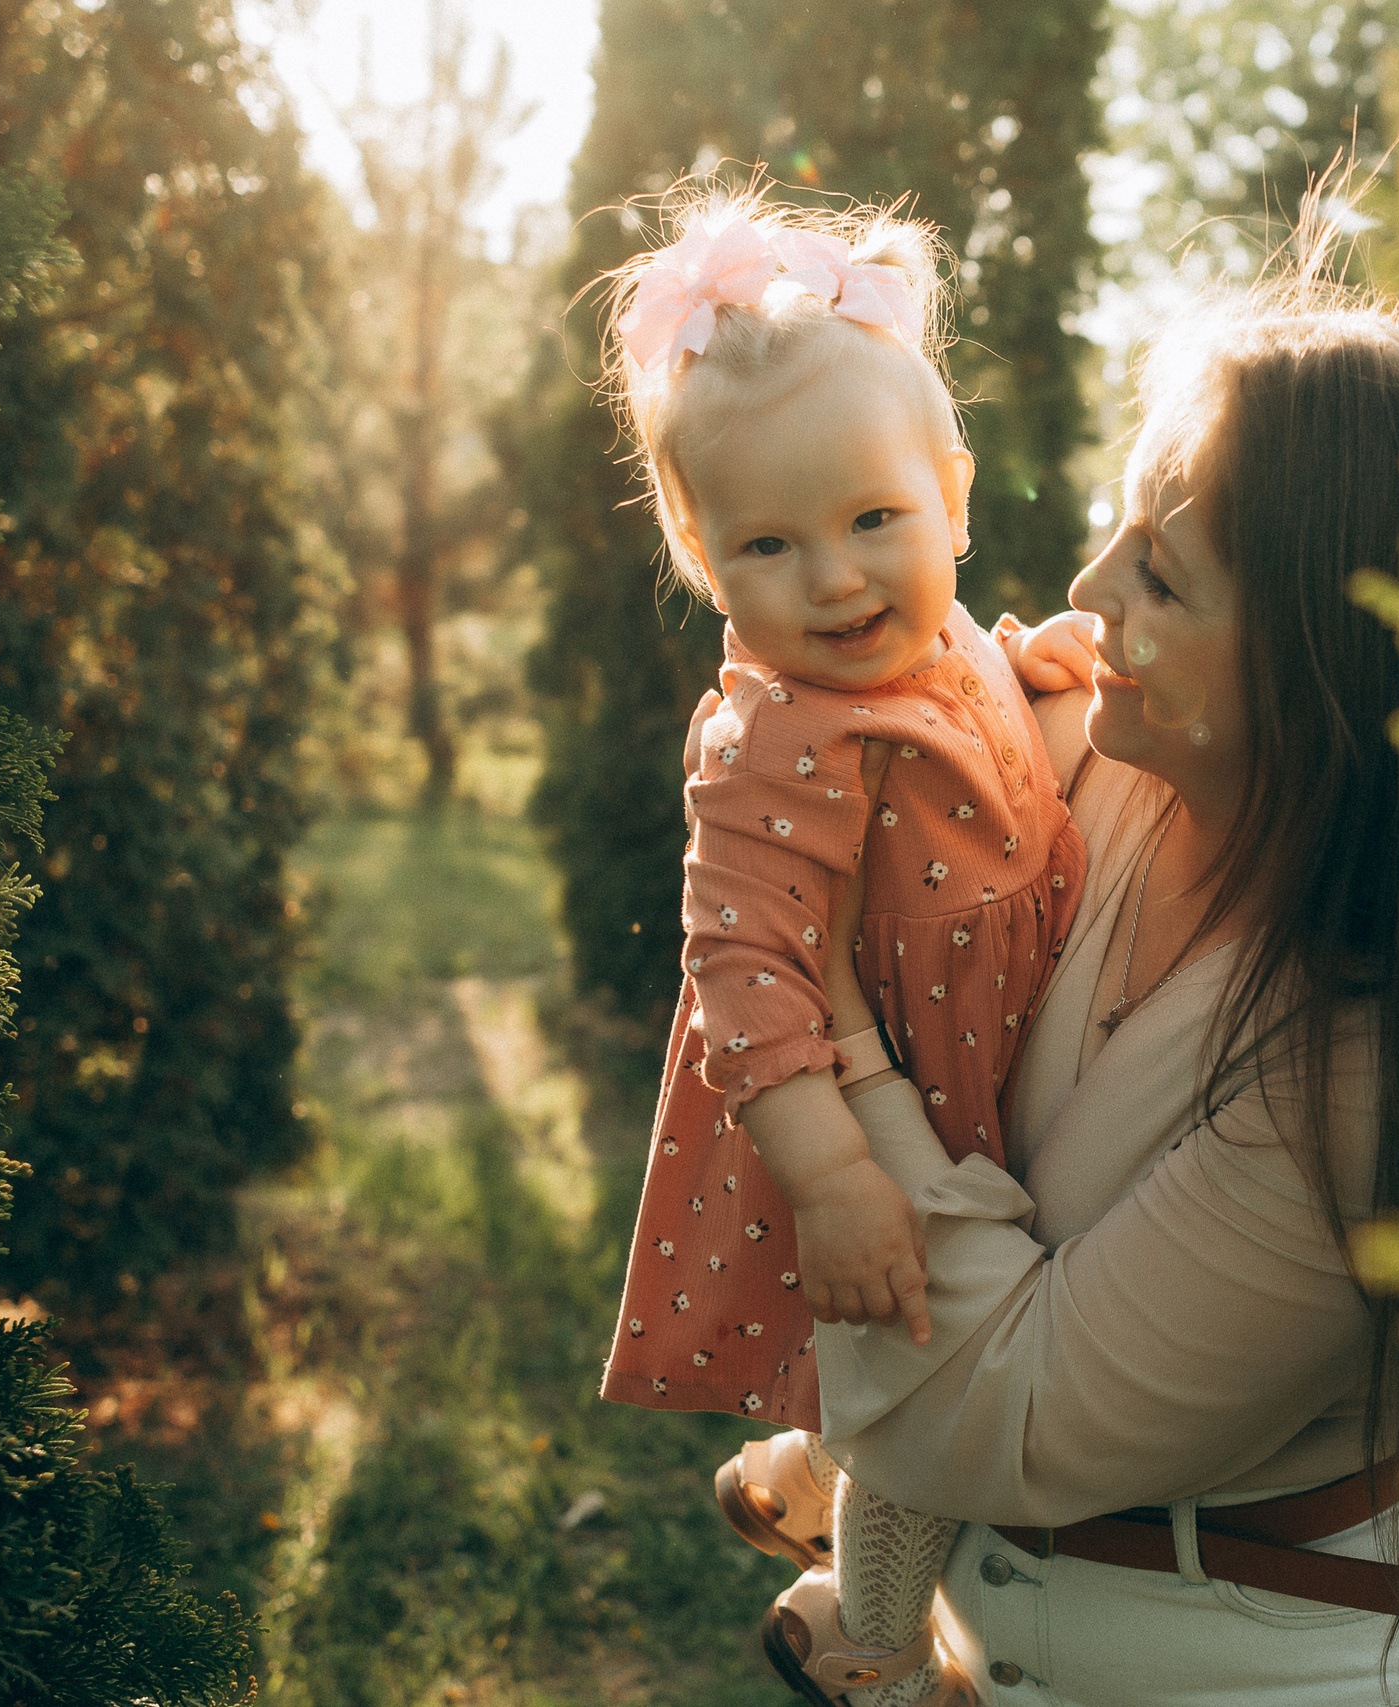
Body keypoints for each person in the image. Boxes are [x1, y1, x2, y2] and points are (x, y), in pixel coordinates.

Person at [751, 271, 1399, 1705]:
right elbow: (796, 743)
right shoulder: (1098, 777)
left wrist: (837, 1044)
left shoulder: (1383, 1070)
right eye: (1120, 525)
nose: (1086, 592)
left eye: (1163, 576)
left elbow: (1011, 1412)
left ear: (1336, 676)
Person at [587, 185, 1091, 1707]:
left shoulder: (943, 647)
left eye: (877, 520)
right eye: (771, 543)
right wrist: (835, 1177)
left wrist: (1025, 664)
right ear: (697, 550)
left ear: (952, 489)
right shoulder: (772, 741)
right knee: (939, 1364)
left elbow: (958, 746)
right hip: (887, 1119)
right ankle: (866, 1632)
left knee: (890, 1356)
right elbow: (742, 979)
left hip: (979, 1067)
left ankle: (806, 1466)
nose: (838, 578)